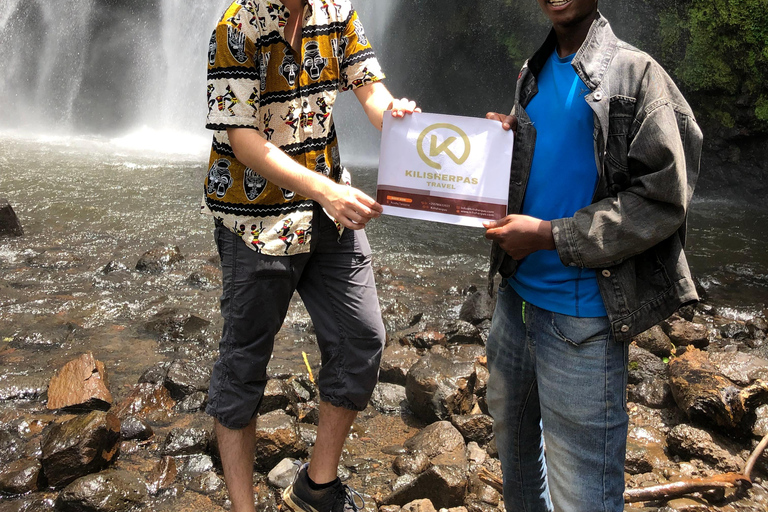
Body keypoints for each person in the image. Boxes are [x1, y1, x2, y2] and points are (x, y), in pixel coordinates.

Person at [482, 1, 702, 510]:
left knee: (584, 496)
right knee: (516, 468)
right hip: (514, 306)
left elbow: (664, 198)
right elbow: (551, 162)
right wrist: (500, 144)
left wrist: (550, 235)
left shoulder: (637, 74)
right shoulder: (531, 72)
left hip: (582, 322)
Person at [202, 1, 418, 511]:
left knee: (362, 337)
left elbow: (370, 89)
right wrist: (326, 192)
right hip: (254, 222)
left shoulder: (336, 11)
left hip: (327, 211)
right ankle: (243, 506)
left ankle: (315, 487)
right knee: (243, 363)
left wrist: (396, 116)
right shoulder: (235, 26)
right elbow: (245, 141)